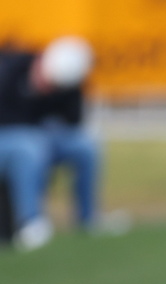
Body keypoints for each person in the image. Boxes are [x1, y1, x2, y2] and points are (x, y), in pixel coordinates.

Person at [0, 36, 118, 250]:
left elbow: (74, 119)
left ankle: (87, 219)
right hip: (9, 139)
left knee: (86, 146)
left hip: (41, 137)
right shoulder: (10, 68)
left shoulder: (69, 84)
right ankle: (31, 222)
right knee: (29, 146)